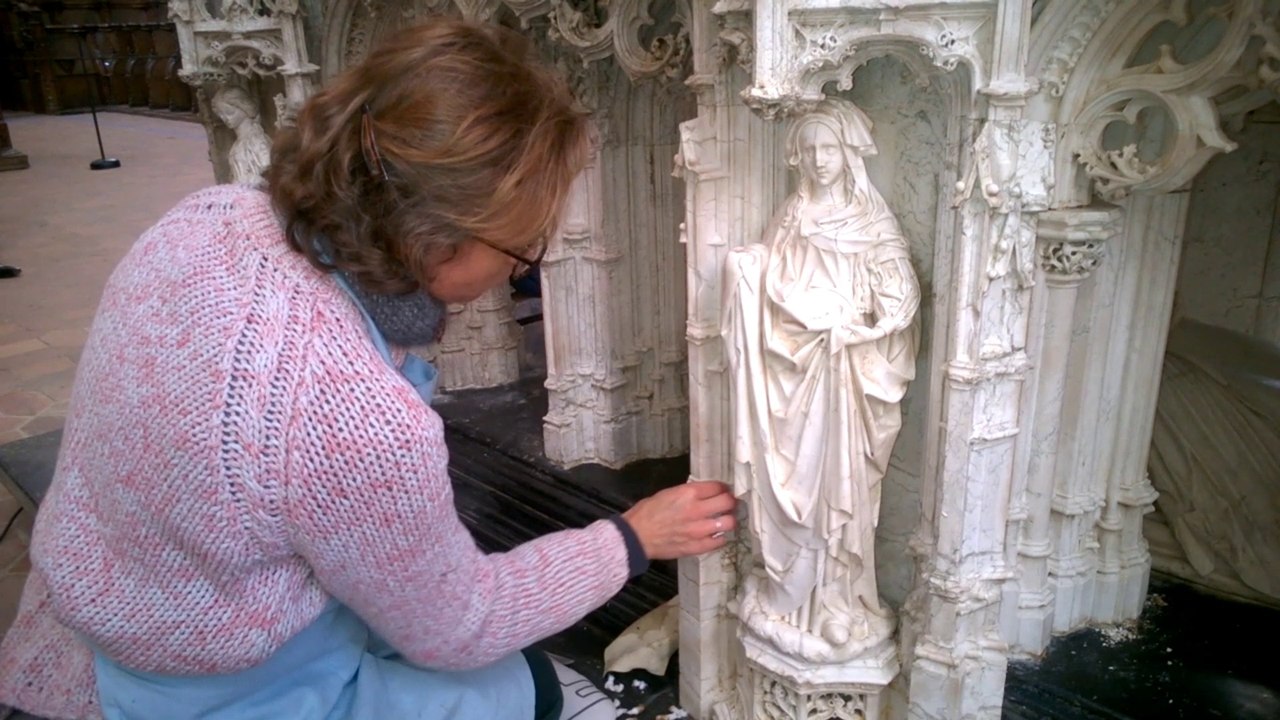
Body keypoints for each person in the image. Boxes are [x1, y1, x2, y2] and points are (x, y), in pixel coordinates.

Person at [0, 20, 736, 720]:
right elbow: (460, 626)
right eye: (523, 252)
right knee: (532, 685)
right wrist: (632, 537)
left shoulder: (206, 216)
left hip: (117, 595)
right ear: (436, 239)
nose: (520, 271)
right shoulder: (353, 413)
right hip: (220, 678)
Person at [721, 99, 918, 660]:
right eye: (808, 149)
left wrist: (864, 325)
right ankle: (790, 595)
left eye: (828, 147)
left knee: (841, 487)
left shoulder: (872, 222)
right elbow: (772, 274)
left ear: (848, 152)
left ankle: (839, 602)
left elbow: (900, 296)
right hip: (792, 366)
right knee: (791, 483)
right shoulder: (792, 213)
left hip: (843, 371)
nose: (818, 159)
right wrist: (748, 265)